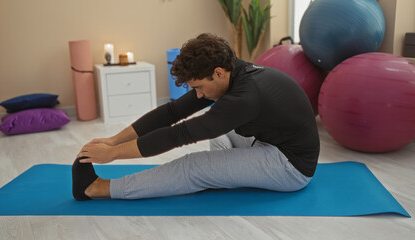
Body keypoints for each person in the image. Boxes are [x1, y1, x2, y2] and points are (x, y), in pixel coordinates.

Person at [72, 33, 320, 201]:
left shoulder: (245, 95)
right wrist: (113, 141)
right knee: (218, 133)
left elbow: (178, 135)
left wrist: (113, 154)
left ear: (218, 73)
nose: (198, 95)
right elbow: (171, 113)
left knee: (194, 166)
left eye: (199, 87)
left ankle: (98, 188)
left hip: (290, 165)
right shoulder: (230, 72)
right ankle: (219, 172)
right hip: (266, 139)